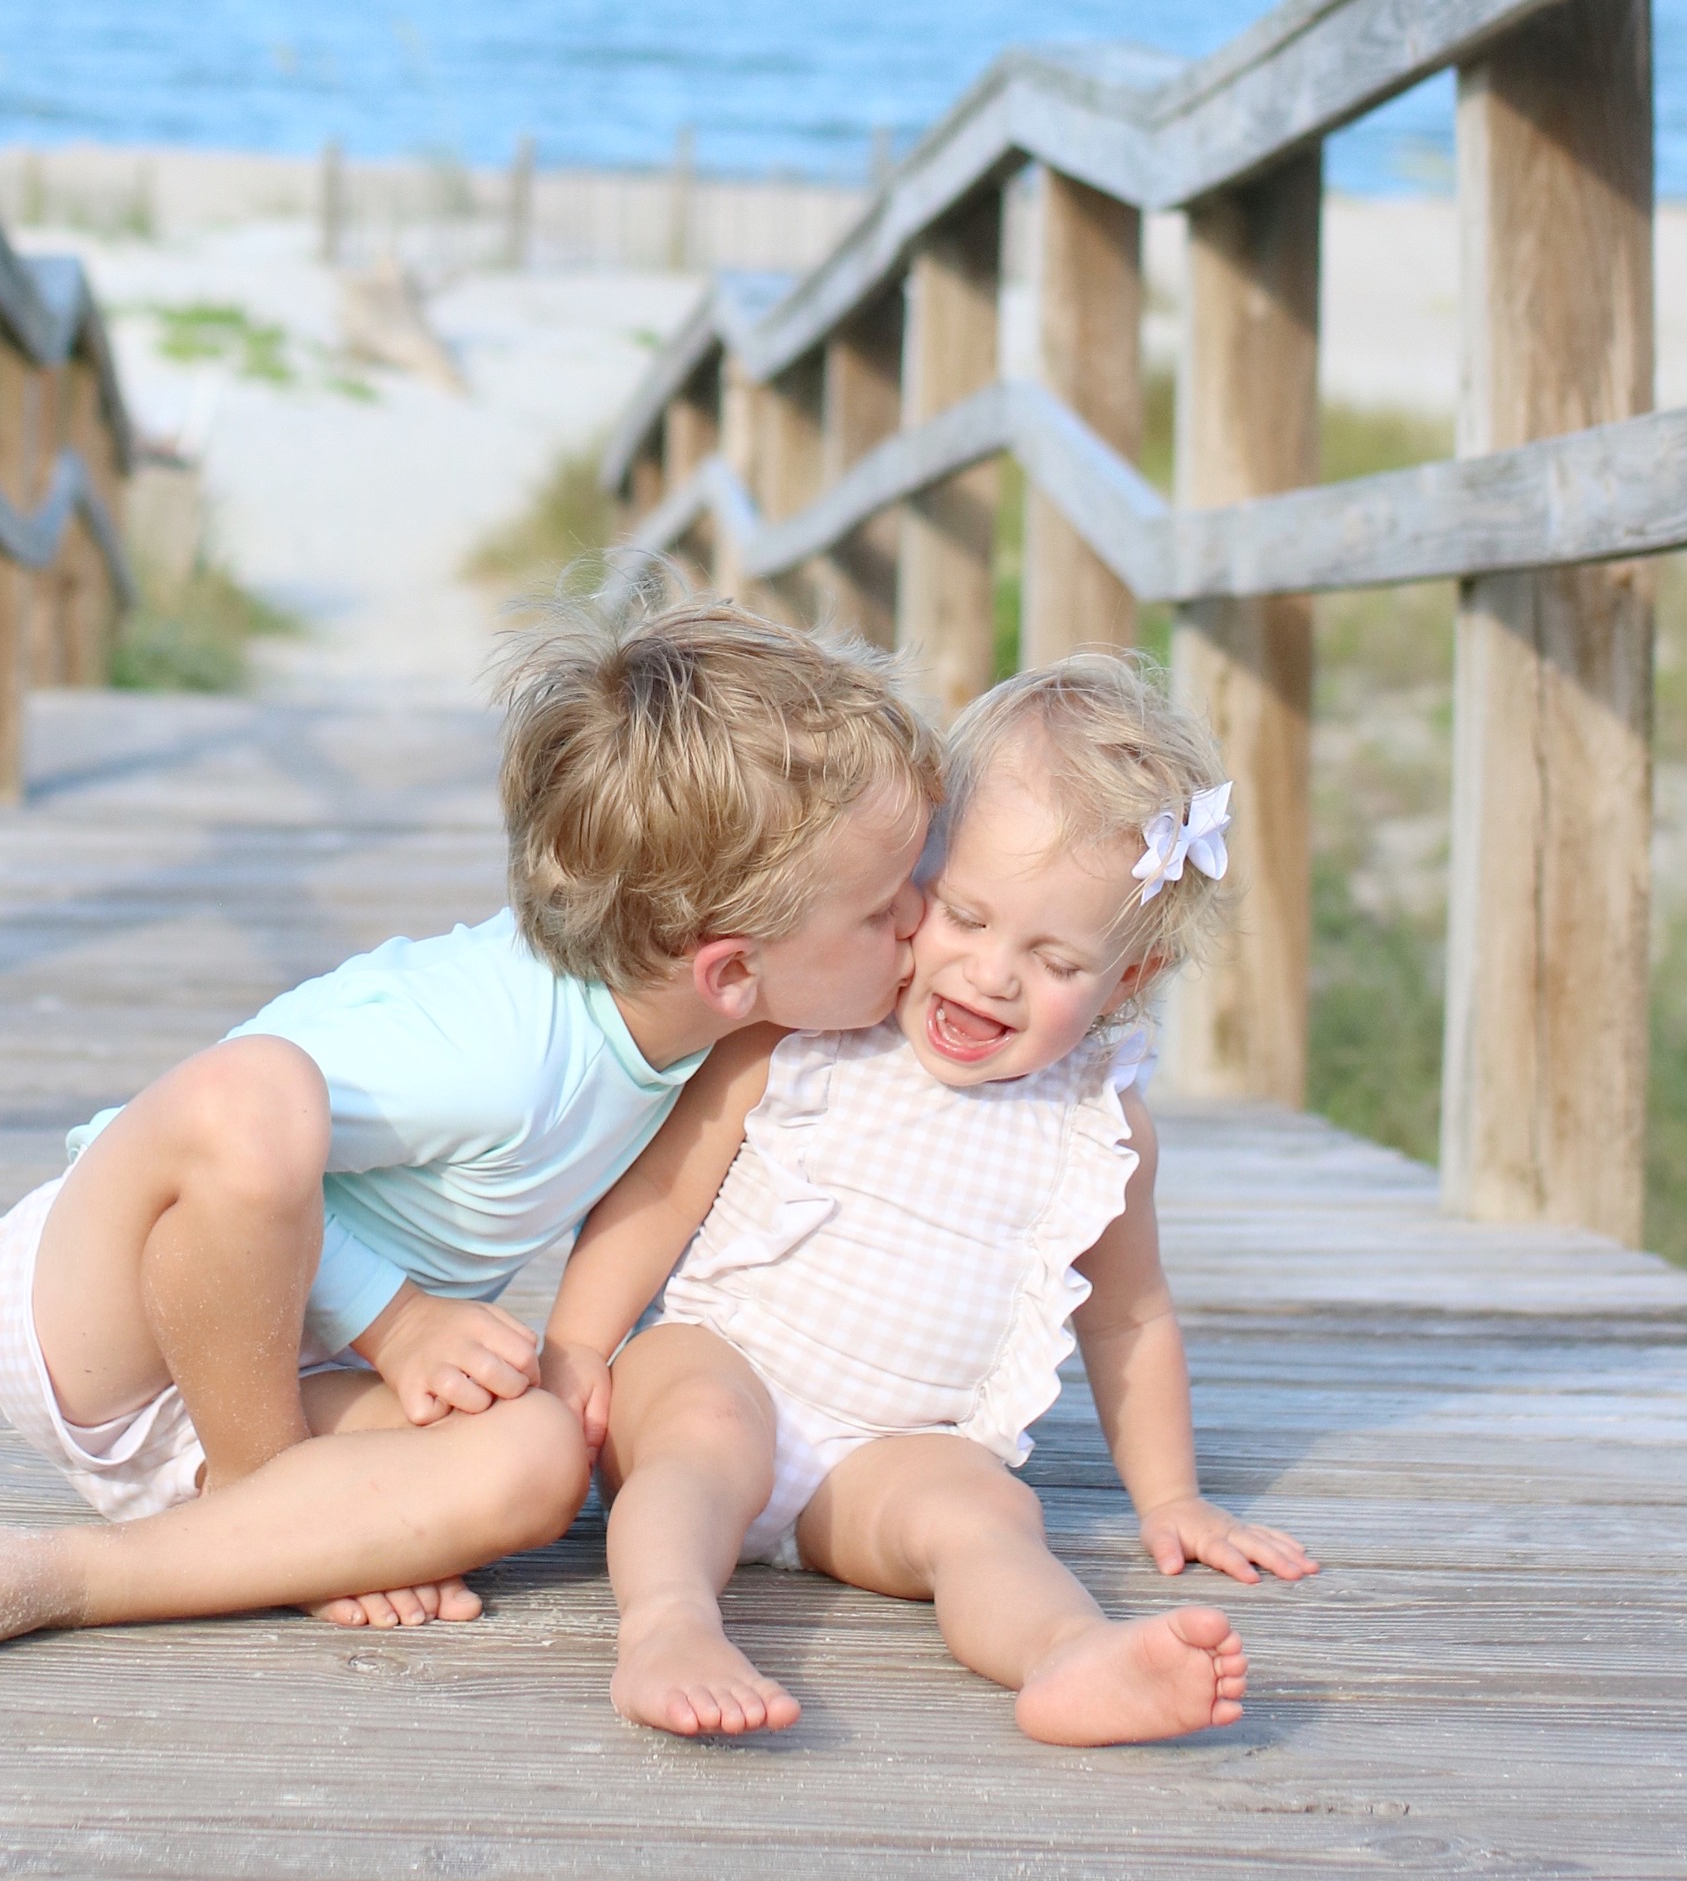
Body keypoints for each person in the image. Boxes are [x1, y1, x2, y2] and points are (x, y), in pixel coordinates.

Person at [0, 588, 938, 1673]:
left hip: (270, 1380)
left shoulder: (718, 1033)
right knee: (260, 1099)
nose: (922, 919)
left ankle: (73, 1574)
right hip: (105, 1312)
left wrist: (569, 1357)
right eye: (886, 904)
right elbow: (204, 1143)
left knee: (536, 1460)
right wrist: (400, 1320)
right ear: (730, 968)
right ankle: (275, 1510)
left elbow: (649, 1196)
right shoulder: (490, 1044)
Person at [542, 651, 1318, 1745]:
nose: (992, 973)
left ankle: (1067, 1655)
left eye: (1053, 959)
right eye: (964, 914)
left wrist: (1172, 1497)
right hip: (730, 1361)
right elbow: (662, 1193)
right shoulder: (807, 1031)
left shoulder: (1099, 1123)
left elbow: (1128, 1312)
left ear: (1126, 981)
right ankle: (668, 1625)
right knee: (699, 1431)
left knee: (989, 1512)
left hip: (884, 1458)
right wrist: (574, 1348)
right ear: (917, 876)